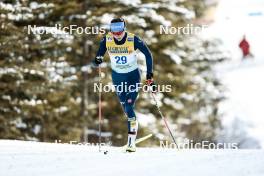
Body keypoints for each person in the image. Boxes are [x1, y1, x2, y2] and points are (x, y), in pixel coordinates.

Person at [93, 18, 155, 152]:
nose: (117, 32)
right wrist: (97, 59)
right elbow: (98, 56)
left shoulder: (133, 39)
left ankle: (131, 144)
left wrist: (149, 74)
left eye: (119, 27)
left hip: (133, 76)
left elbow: (148, 54)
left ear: (124, 27)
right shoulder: (107, 40)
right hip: (117, 77)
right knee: (126, 109)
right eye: (114, 28)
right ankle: (131, 137)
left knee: (129, 105)